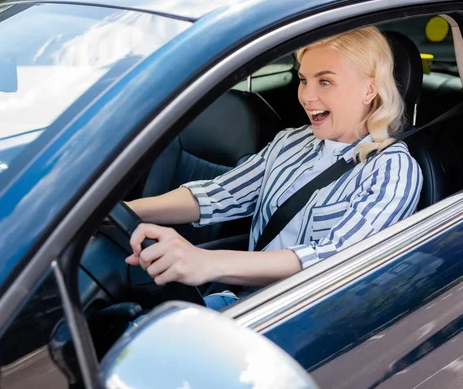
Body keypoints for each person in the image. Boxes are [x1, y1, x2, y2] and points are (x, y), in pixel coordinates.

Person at [124, 26, 423, 310]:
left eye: (325, 81)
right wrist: (124, 211)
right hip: (248, 302)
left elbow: (332, 259)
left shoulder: (392, 169)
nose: (306, 96)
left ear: (369, 90)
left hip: (309, 319)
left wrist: (206, 262)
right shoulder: (291, 142)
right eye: (304, 80)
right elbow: (219, 195)